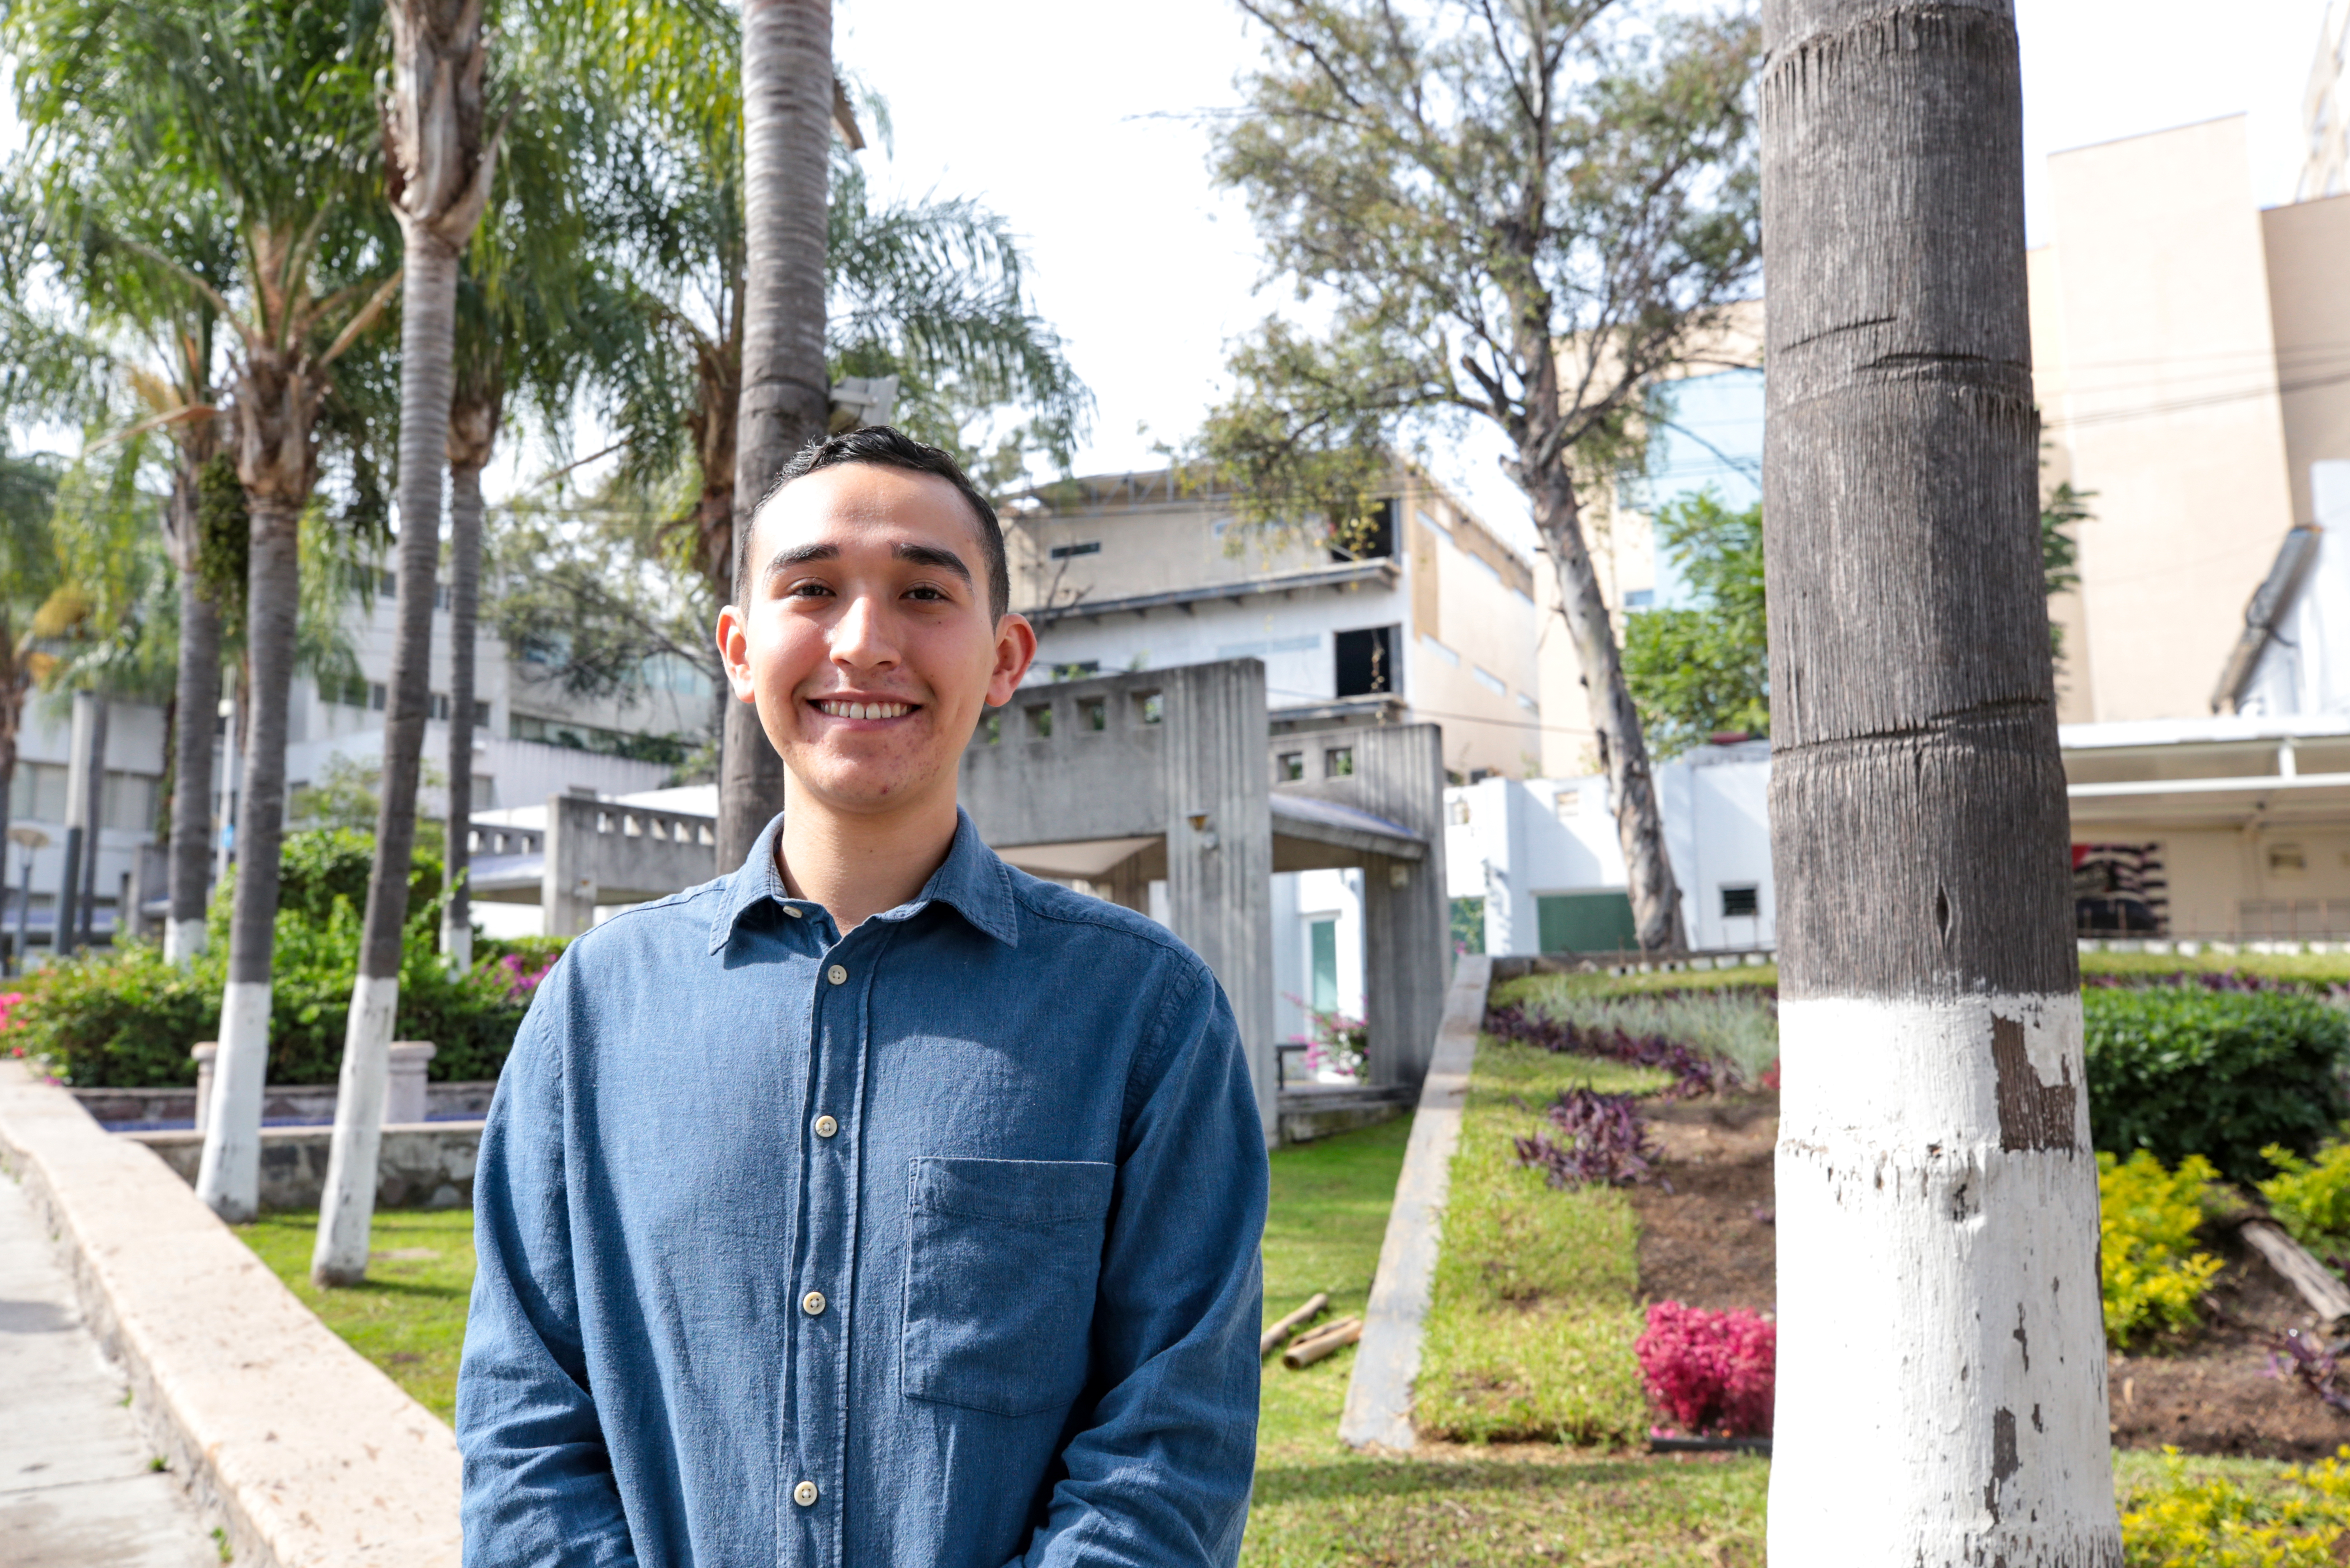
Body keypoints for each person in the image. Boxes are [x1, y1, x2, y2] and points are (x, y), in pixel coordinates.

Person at [455, 426, 1268, 1567]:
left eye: (924, 592)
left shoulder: (1146, 1014)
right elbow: (523, 1427)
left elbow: (1171, 1445)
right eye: (814, 588)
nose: (864, 641)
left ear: (1004, 656)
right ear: (741, 650)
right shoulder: (597, 1009)